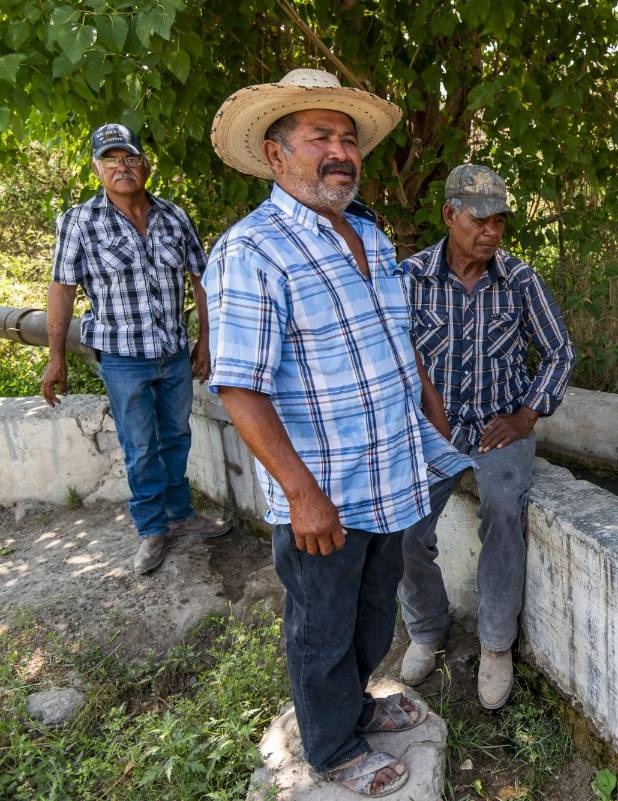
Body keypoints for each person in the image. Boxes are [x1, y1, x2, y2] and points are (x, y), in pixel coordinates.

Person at [204, 68, 472, 796]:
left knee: (373, 610)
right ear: (275, 152)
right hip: (323, 487)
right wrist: (302, 493)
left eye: (348, 139)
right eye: (319, 136)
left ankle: (355, 706)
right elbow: (238, 385)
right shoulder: (252, 250)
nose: (339, 152)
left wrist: (429, 403)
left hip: (389, 468)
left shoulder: (367, 234)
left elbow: (395, 336)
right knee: (321, 625)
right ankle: (329, 747)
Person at [397, 164, 575, 709]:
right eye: (480, 219)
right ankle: (427, 630)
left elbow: (560, 352)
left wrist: (525, 416)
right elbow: (391, 354)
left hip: (501, 427)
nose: (492, 232)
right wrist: (422, 415)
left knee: (502, 508)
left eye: (500, 221)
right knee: (402, 524)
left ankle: (496, 644)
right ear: (450, 215)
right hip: (435, 431)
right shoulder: (411, 278)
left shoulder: (519, 279)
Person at [40, 123, 229, 575]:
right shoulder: (79, 222)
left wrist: (205, 339)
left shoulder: (174, 216)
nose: (121, 167)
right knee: (141, 446)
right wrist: (55, 355)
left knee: (178, 435)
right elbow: (62, 290)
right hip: (123, 358)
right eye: (110, 159)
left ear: (145, 164)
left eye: (129, 158)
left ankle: (179, 515)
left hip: (175, 354)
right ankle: (150, 528)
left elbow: (202, 279)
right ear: (96, 168)